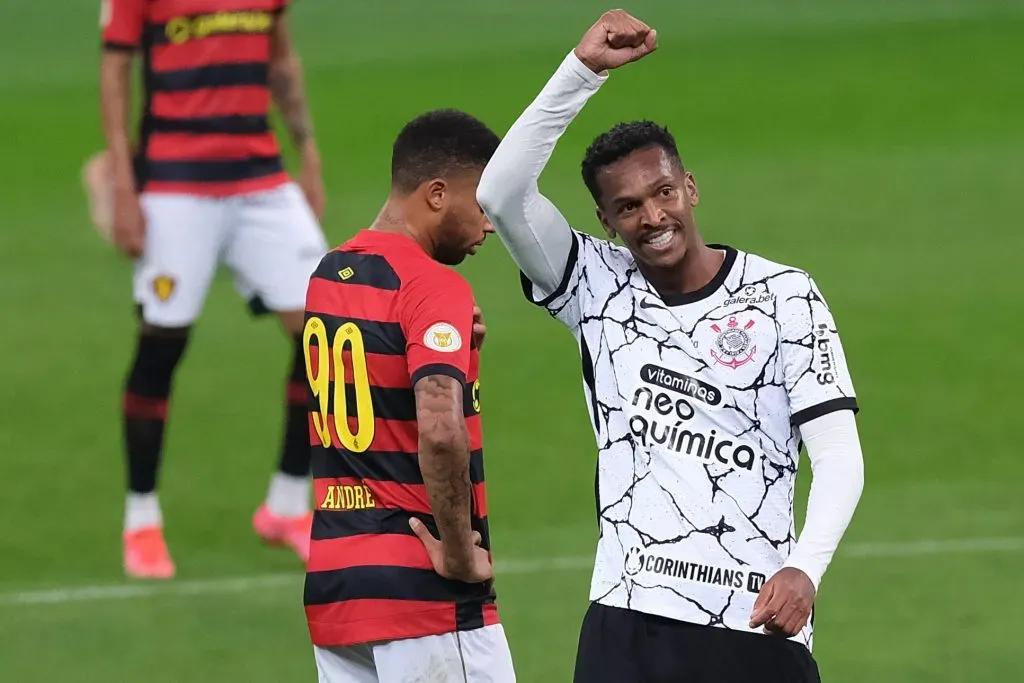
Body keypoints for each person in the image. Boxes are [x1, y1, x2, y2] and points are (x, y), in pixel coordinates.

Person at [477, 10, 866, 683]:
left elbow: (838, 455)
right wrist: (582, 71)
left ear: (690, 187)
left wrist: (807, 565)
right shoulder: (593, 284)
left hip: (753, 620)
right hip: (627, 622)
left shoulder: (785, 297)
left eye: (662, 192)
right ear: (606, 220)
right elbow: (500, 192)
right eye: (627, 206)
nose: (652, 217)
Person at [98, 0, 329, 578]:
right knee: (162, 343)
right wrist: (124, 187)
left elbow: (281, 59)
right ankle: (141, 519)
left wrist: (308, 154)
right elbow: (114, 73)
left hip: (261, 179)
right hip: (175, 182)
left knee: (326, 331)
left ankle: (286, 504)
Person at [301, 109, 516, 683]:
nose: (491, 225)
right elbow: (440, 429)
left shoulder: (328, 273)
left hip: (337, 593)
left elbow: (377, 396)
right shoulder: (431, 284)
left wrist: (459, 360)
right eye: (484, 204)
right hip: (424, 599)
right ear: (438, 193)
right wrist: (458, 551)